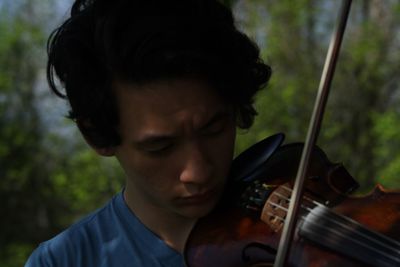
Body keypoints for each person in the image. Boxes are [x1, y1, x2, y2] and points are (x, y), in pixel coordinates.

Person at [25, 0, 271, 266]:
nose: (198, 172)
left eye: (213, 129)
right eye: (160, 147)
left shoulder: (293, 230)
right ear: (97, 135)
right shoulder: (63, 261)